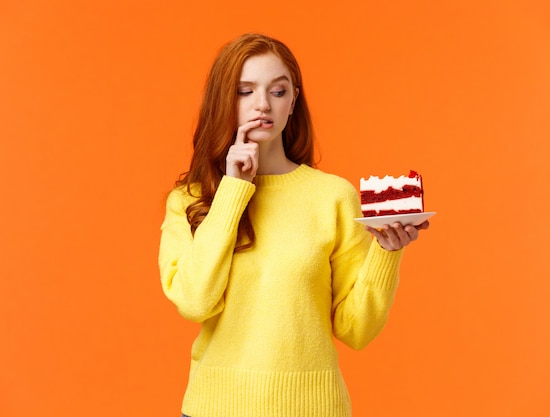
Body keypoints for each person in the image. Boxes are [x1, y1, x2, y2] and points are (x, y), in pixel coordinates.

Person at [158, 33, 429, 417]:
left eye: (278, 91)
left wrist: (387, 253)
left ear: (293, 101)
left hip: (313, 408)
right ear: (225, 99)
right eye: (244, 91)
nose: (262, 104)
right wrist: (234, 190)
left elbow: (356, 330)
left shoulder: (332, 196)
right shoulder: (189, 199)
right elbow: (194, 301)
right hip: (214, 408)